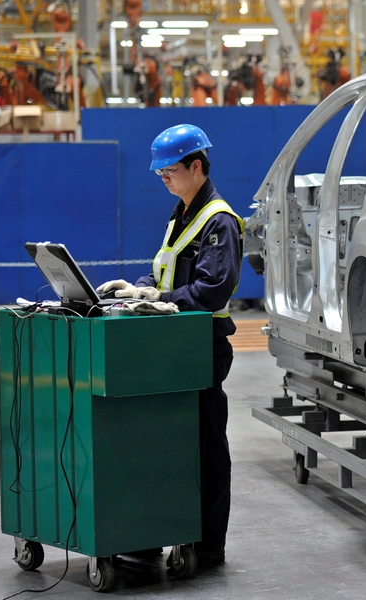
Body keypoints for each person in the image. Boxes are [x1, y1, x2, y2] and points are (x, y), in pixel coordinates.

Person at [97, 124, 244, 569]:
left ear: (196, 166)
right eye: (159, 173)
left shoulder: (218, 220)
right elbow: (167, 276)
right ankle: (155, 532)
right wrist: (135, 288)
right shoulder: (181, 215)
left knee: (204, 448)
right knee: (163, 444)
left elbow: (211, 291)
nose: (164, 178)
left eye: (170, 171)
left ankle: (208, 545)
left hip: (200, 350)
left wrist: (158, 298)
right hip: (170, 350)